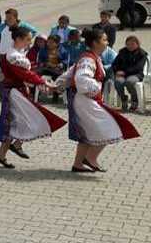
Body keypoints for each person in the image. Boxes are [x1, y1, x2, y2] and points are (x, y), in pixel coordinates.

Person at [0, 26, 66, 168]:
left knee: (16, 122)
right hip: (14, 93)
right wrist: (45, 83)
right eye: (28, 40)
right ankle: (14, 146)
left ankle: (5, 153)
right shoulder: (13, 56)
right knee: (23, 120)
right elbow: (24, 74)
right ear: (18, 39)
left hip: (15, 92)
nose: (29, 43)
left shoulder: (12, 54)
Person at [56, 28, 140, 173]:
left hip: (84, 99)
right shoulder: (88, 59)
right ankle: (90, 158)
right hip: (85, 100)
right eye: (104, 40)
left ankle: (78, 164)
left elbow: (70, 73)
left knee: (88, 132)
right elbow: (81, 79)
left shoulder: (91, 57)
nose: (107, 42)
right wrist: (97, 87)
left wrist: (57, 84)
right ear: (95, 43)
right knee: (110, 127)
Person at [110, 36, 147, 113]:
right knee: (118, 82)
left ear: (137, 44)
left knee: (130, 81)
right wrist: (116, 71)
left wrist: (125, 72)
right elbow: (114, 64)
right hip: (122, 74)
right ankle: (124, 99)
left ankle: (134, 100)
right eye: (128, 44)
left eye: (132, 44)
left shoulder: (142, 54)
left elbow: (138, 67)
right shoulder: (122, 52)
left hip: (136, 74)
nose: (130, 46)